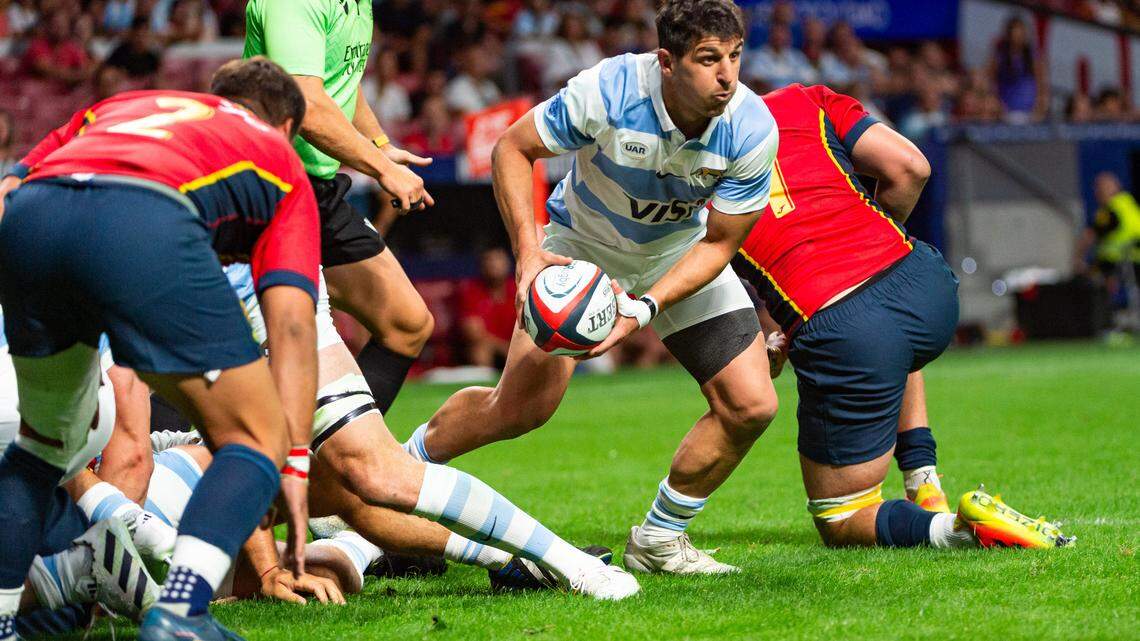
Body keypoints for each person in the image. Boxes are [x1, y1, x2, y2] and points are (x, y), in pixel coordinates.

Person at [406, 0, 780, 576]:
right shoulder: (609, 89)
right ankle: (395, 467)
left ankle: (659, 540)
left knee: (751, 404)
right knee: (519, 410)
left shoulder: (752, 127)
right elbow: (512, 147)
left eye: (734, 57)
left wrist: (645, 307)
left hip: (678, 253)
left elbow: (719, 244)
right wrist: (530, 254)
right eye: (709, 60)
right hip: (580, 252)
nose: (727, 75)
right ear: (667, 62)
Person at [0, 58, 321, 641]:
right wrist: (292, 460)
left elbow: (8, 189)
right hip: (144, 219)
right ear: (289, 128)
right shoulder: (281, 161)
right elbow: (294, 330)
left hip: (31, 219)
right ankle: (179, 614)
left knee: (41, 446)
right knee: (257, 433)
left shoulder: (122, 106)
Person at [733, 83, 1072, 549]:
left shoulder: (686, 165)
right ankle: (923, 481)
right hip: (925, 286)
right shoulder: (803, 99)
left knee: (841, 515)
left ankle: (959, 533)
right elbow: (911, 167)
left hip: (846, 327)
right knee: (891, 341)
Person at [216, 262, 638, 600]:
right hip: (217, 316)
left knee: (371, 472)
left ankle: (564, 565)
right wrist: (269, 571)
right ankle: (364, 542)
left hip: (261, 288)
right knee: (334, 545)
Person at [244, 0, 436, 416]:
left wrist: (381, 145)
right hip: (262, 189)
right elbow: (307, 103)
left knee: (406, 323)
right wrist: (382, 169)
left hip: (316, 190)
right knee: (233, 350)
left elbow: (343, 82)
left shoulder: (358, 4)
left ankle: (329, 463)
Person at [458, 248, 517, 368]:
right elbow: (473, 332)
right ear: (482, 265)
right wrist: (505, 348)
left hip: (516, 346)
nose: (494, 265)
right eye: (489, 260)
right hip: (491, 347)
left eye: (498, 259)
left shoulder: (519, 288)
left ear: (508, 263)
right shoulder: (470, 290)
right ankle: (484, 384)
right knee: (480, 349)